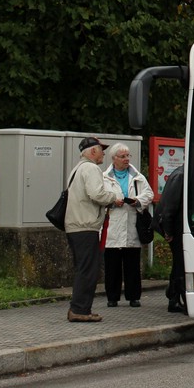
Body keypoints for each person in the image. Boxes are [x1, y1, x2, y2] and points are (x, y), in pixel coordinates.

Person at [65, 137, 119, 322]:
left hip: (76, 225)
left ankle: (80, 308)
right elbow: (97, 193)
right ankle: (79, 310)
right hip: (85, 226)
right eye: (101, 149)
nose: (104, 153)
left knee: (83, 268)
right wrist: (113, 197)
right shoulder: (91, 168)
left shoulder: (77, 169)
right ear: (92, 151)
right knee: (88, 270)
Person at [102, 143, 154, 308]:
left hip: (132, 224)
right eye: (122, 156)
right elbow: (98, 197)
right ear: (114, 158)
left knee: (132, 264)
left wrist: (138, 201)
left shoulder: (137, 177)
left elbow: (149, 194)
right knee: (112, 265)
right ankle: (112, 297)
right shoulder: (104, 177)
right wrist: (112, 201)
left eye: (128, 156)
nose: (126, 159)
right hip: (113, 225)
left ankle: (133, 296)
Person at [157, 165, 187, 313]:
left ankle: (174, 296)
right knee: (180, 262)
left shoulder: (182, 174)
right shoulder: (180, 176)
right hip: (173, 225)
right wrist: (168, 231)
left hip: (176, 225)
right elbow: (170, 207)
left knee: (179, 262)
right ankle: (176, 297)